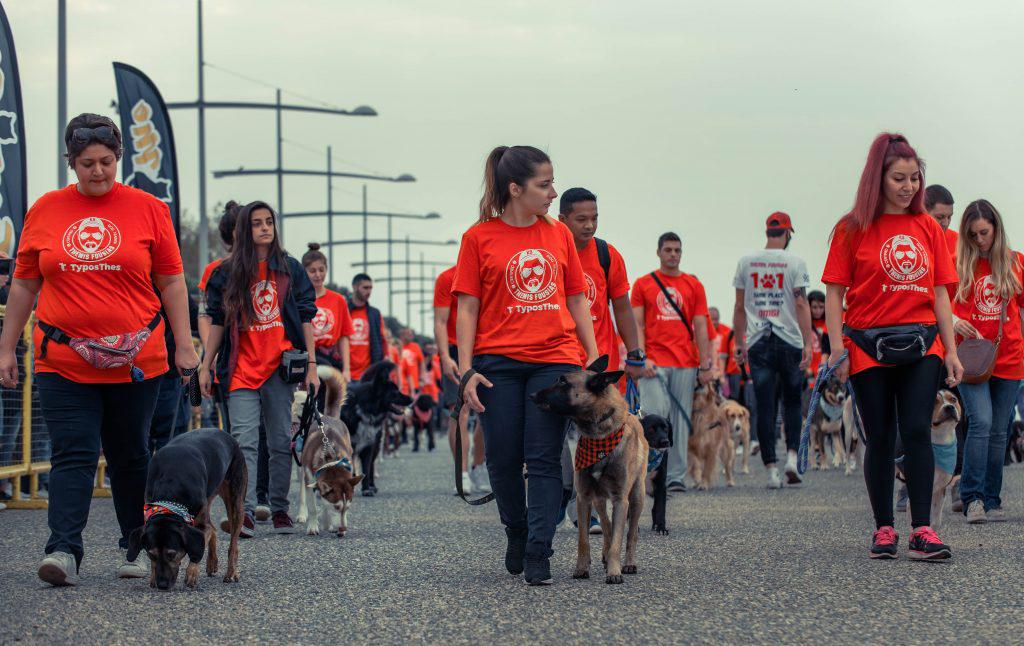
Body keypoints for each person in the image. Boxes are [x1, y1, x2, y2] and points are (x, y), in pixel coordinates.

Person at [0, 114, 198, 586]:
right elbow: (25, 285)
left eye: (107, 162)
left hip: (138, 362)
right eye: (87, 163)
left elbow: (171, 281)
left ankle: (136, 545)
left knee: (131, 454)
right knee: (74, 452)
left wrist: (185, 346)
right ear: (72, 162)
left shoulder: (149, 208)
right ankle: (63, 550)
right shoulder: (45, 209)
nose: (98, 172)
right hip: (61, 362)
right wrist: (7, 348)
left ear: (119, 159)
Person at [455, 145, 598, 586]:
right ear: (515, 189)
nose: (554, 192)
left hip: (553, 358)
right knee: (501, 458)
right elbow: (466, 309)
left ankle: (540, 548)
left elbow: (576, 297)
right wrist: (465, 372)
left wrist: (591, 357)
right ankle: (515, 530)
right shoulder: (478, 238)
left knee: (542, 458)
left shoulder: (557, 235)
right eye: (544, 184)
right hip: (496, 362)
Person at [822, 132, 962, 560]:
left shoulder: (927, 228)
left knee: (918, 430)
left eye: (914, 179)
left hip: (923, 343)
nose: (908, 187)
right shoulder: (851, 228)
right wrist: (835, 349)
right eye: (899, 178)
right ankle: (884, 529)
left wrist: (952, 350)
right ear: (877, 178)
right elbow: (833, 292)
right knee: (880, 437)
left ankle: (923, 529)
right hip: (866, 344)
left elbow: (941, 293)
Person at [200, 201, 319, 537]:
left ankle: (279, 508)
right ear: (244, 230)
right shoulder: (226, 272)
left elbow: (307, 317)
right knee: (244, 442)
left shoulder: (290, 269)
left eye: (269, 222)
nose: (265, 228)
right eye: (256, 223)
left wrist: (311, 364)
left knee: (282, 441)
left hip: (278, 371)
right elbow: (218, 322)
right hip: (239, 369)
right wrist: (205, 367)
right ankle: (245, 512)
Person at [556, 187, 642, 532]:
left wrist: (634, 352)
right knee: (556, 440)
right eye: (581, 219)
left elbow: (621, 306)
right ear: (563, 219)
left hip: (598, 369)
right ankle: (560, 504)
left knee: (598, 440)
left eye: (594, 218)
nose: (589, 225)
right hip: (559, 362)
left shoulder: (607, 254)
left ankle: (589, 510)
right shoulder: (551, 252)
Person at [952, 200, 1024, 524]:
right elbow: (934, 301)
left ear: (996, 228)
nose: (980, 240)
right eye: (973, 235)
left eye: (985, 233)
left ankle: (992, 498)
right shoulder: (957, 263)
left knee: (999, 430)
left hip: (1009, 357)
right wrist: (953, 321)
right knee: (980, 421)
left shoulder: (1016, 263)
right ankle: (972, 498)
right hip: (971, 358)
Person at [732, 212, 813, 488]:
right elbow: (801, 304)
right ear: (788, 233)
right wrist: (807, 343)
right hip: (789, 338)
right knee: (791, 402)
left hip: (758, 340)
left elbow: (739, 305)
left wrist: (738, 343)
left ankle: (771, 471)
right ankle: (791, 458)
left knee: (764, 406)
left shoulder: (746, 262)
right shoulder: (795, 262)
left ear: (767, 232)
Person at [632, 232, 714, 492]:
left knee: (680, 421)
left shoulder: (693, 285)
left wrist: (705, 364)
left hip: (685, 361)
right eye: (668, 250)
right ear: (658, 252)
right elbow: (637, 324)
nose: (673, 254)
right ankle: (646, 472)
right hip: (653, 363)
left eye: (677, 250)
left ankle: (675, 475)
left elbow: (701, 325)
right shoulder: (644, 284)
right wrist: (641, 356)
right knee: (652, 417)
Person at [433, 265, 489, 494]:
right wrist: (445, 356)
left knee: (488, 412)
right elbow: (440, 320)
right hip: (456, 349)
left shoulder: (489, 273)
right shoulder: (447, 278)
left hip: (486, 347)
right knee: (460, 412)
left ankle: (478, 466)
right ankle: (462, 472)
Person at [302, 243, 353, 416]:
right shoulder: (298, 298)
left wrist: (346, 368)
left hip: (330, 358)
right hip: (307, 356)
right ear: (304, 272)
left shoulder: (338, 300)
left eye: (321, 270)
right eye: (312, 271)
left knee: (332, 408)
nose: (318, 275)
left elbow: (344, 336)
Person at [347, 273, 388, 381]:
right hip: (346, 374)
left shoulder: (375, 314)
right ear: (355, 287)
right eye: (365, 287)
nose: (369, 291)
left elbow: (382, 340)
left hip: (368, 375)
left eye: (370, 288)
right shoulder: (344, 310)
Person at [926, 184, 957, 257]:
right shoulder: (911, 239)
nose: (946, 223)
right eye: (940, 217)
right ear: (924, 213)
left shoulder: (958, 242)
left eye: (949, 217)